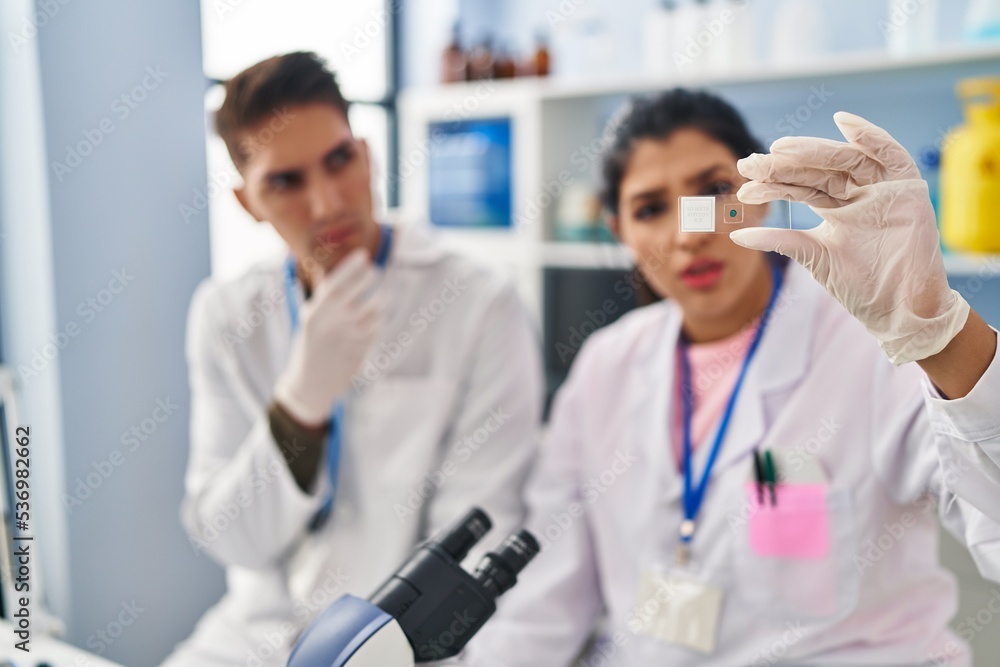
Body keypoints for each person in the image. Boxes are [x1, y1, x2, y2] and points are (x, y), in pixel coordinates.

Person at [461, 91, 1000, 666]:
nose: (690, 233)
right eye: (649, 209)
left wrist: (937, 332)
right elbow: (544, 597)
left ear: (760, 196)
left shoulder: (867, 346)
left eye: (714, 193)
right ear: (619, 231)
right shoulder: (605, 365)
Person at [160, 52, 543, 667]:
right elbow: (232, 537)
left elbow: (475, 534)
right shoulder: (226, 315)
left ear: (366, 154)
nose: (327, 203)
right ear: (246, 202)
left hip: (401, 645)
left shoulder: (479, 304)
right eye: (285, 182)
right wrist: (302, 401)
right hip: (251, 638)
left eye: (339, 160)